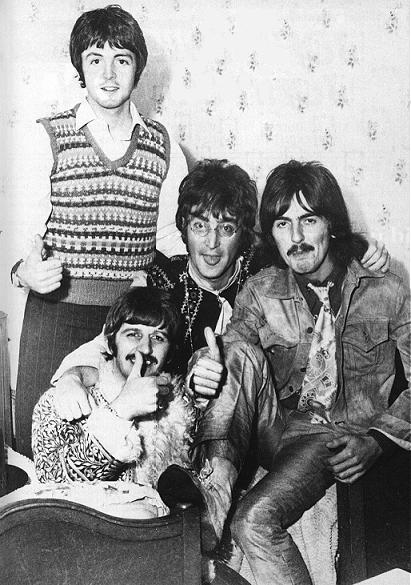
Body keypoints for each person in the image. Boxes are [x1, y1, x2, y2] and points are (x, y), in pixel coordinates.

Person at [158, 160, 410, 585]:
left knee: (252, 521)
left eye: (308, 220)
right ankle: (213, 495)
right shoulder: (261, 290)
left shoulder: (387, 290)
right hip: (277, 429)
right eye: (281, 224)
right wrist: (204, 365)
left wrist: (379, 440)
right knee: (235, 352)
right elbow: (230, 352)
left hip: (333, 434)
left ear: (331, 224)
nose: (295, 238)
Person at [49, 158, 388, 418]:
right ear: (184, 227)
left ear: (244, 234)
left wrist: (360, 248)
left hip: (255, 422)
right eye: (200, 226)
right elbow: (107, 346)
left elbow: (313, 245)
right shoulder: (161, 281)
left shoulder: (265, 270)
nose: (211, 243)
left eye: (226, 228)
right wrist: (71, 378)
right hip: (176, 423)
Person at [11, 5, 187, 457]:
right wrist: (22, 273)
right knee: (42, 448)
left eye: (121, 59)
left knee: (129, 453)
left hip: (132, 325)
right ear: (80, 67)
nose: (108, 74)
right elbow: (16, 241)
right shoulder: (49, 136)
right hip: (56, 315)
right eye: (95, 59)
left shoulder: (163, 145)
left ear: (138, 68)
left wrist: (158, 280)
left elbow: (174, 243)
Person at [32, 286, 196, 518]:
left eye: (158, 338)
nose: (145, 348)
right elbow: (54, 484)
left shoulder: (180, 409)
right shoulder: (60, 400)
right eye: (133, 334)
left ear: (169, 353)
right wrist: (121, 411)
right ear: (111, 343)